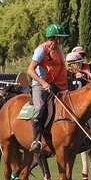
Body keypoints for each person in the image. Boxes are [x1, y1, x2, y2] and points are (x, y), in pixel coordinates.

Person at [27, 24, 69, 152]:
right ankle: (36, 140)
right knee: (39, 108)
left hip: (55, 85)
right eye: (60, 38)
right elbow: (30, 70)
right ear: (55, 38)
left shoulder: (58, 50)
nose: (61, 40)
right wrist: (43, 83)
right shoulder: (41, 50)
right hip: (40, 85)